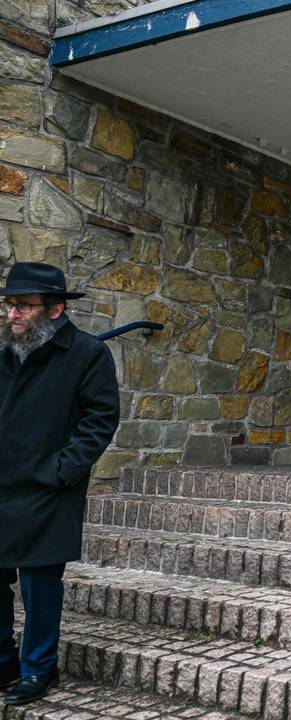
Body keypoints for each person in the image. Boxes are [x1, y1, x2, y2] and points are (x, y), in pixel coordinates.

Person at [0, 262, 120, 706]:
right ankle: (3, 663)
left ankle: (38, 669)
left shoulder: (87, 353)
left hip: (48, 492)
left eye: (24, 306)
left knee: (39, 585)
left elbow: (101, 419)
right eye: (10, 305)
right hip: (1, 487)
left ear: (54, 310)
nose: (13, 314)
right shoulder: (4, 349)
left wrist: (62, 470)